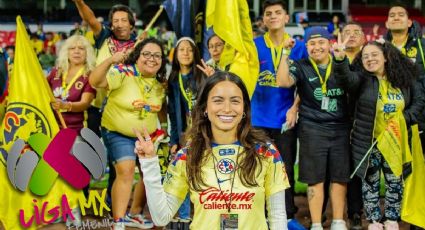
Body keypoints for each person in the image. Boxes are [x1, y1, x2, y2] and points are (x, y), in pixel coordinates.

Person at [134, 71, 290, 229]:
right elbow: (161, 218)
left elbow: (277, 215)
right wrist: (149, 163)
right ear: (205, 108)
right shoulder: (187, 156)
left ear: (244, 108)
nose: (227, 108)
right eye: (218, 100)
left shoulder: (265, 152)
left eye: (235, 101)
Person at [332, 39, 424, 230]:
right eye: (365, 56)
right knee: (370, 182)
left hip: (396, 141)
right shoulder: (361, 79)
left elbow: (419, 101)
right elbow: (346, 79)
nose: (370, 59)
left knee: (394, 182)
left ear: (386, 58)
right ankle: (373, 220)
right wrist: (340, 60)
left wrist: (405, 118)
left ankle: (392, 219)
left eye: (374, 55)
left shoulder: (404, 79)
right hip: (369, 141)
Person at [276, 26, 350, 230]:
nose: (316, 47)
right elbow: (282, 81)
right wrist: (284, 52)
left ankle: (338, 221)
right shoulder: (301, 65)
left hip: (340, 127)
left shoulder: (342, 63)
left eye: (321, 42)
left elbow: (353, 86)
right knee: (314, 178)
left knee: (339, 177)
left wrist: (343, 59)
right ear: (306, 46)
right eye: (312, 43)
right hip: (312, 128)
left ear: (330, 43)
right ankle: (316, 224)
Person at [89, 38, 166, 229]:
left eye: (157, 55)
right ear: (137, 56)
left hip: (148, 136)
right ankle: (119, 222)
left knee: (151, 173)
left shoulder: (160, 83)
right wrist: (110, 61)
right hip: (117, 132)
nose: (152, 59)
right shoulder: (122, 72)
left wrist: (164, 127)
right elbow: (95, 81)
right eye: (146, 54)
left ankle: (135, 213)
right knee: (126, 171)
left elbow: (161, 109)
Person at [250, 1, 307, 229]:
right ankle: (258, 215)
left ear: (286, 17)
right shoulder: (253, 46)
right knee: (256, 169)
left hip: (285, 119)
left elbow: (305, 83)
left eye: (277, 13)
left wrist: (295, 108)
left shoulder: (298, 47)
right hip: (257, 119)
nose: (273, 16)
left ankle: (287, 215)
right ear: (263, 19)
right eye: (268, 13)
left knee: (284, 170)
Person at [167, 37, 207, 226]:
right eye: (181, 49)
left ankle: (206, 214)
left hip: (203, 133)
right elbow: (173, 113)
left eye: (189, 50)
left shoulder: (201, 75)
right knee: (182, 172)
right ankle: (184, 216)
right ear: (175, 54)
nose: (185, 53)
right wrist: (174, 139)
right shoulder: (173, 80)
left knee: (204, 173)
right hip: (185, 135)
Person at [48, 35, 96, 133]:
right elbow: (41, 89)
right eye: (72, 48)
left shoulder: (90, 74)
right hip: (52, 129)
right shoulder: (56, 71)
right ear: (67, 52)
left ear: (87, 53)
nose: (76, 51)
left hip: (77, 131)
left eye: (81, 48)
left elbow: (85, 104)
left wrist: (65, 105)